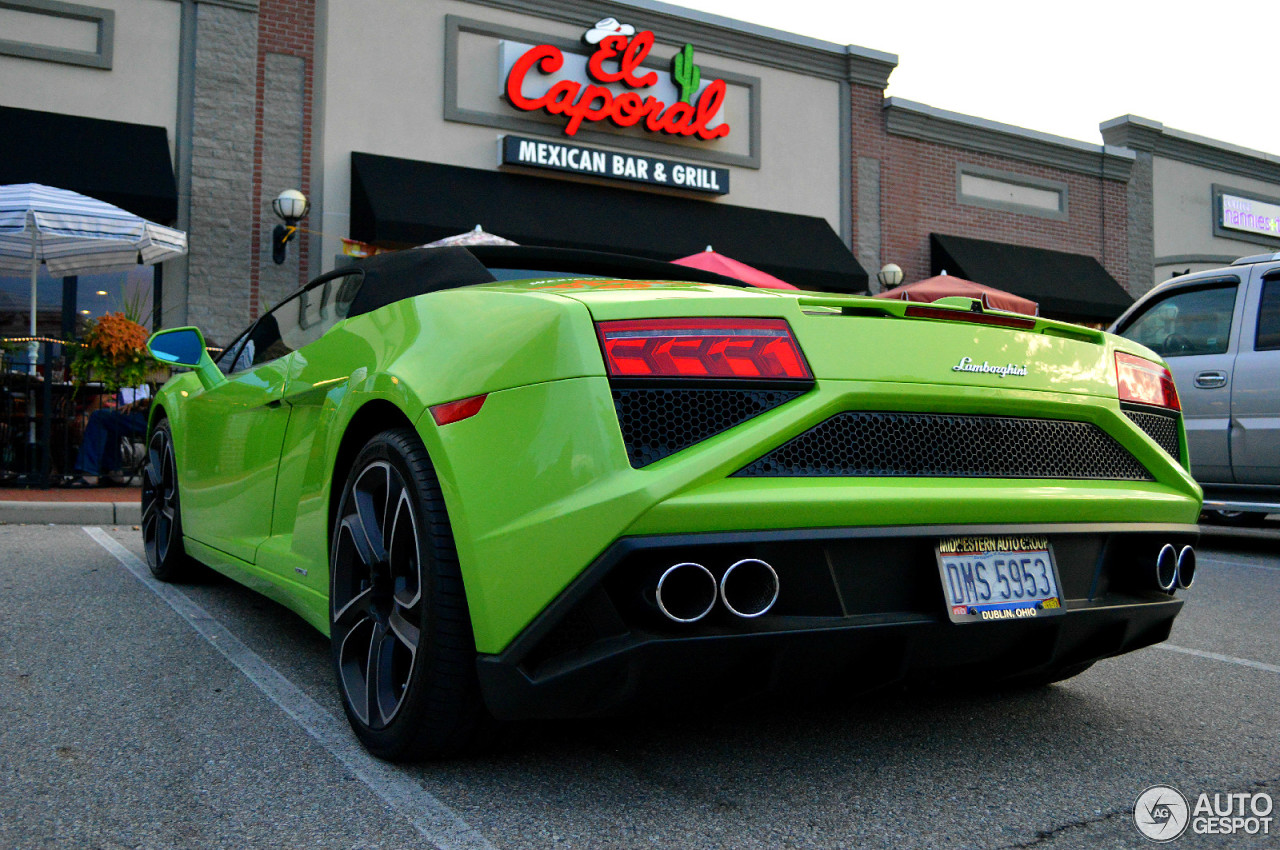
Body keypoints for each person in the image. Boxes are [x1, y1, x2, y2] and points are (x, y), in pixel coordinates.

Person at [66, 386, 151, 487]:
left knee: (99, 417)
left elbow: (152, 399)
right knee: (110, 419)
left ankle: (90, 473)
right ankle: (114, 472)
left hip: (149, 418)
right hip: (149, 416)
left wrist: (138, 403)